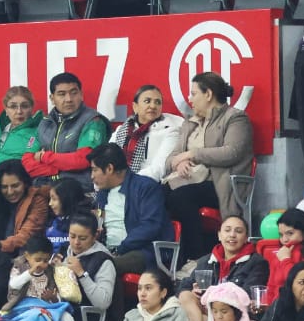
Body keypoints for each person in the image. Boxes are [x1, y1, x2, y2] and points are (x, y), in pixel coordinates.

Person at [165, 72, 255, 261]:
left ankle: (196, 258)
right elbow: (170, 158)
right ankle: (168, 258)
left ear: (208, 94)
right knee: (153, 194)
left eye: (193, 93)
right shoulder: (190, 123)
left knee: (181, 197)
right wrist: (179, 161)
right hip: (186, 180)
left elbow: (232, 152)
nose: (190, 99)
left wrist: (193, 154)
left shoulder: (235, 118)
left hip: (219, 184)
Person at [88, 145, 174, 274]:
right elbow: (99, 222)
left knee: (105, 268)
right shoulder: (102, 194)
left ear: (110, 168)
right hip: (107, 251)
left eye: (95, 170)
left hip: (144, 251)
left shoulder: (146, 187)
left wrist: (120, 249)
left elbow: (150, 226)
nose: (92, 176)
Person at [179, 217, 267, 321]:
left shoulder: (256, 262)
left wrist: (210, 296)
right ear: (219, 235)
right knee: (185, 295)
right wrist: (194, 291)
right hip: (207, 315)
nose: (232, 235)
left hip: (232, 315)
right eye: (227, 230)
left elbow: (245, 296)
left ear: (246, 238)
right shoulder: (207, 260)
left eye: (238, 231)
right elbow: (183, 285)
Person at [21, 73, 111, 191]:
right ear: (52, 99)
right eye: (61, 94)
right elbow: (27, 162)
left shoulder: (93, 121)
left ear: (81, 95)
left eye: (74, 93)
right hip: (44, 186)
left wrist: (44, 157)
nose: (69, 99)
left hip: (78, 189)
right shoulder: (44, 122)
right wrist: (55, 170)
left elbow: (83, 159)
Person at [110, 86, 184, 183]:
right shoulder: (121, 130)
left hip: (147, 185)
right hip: (116, 182)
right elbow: (106, 159)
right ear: (135, 107)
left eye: (157, 102)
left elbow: (159, 168)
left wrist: (127, 182)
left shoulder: (170, 131)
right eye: (147, 101)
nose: (153, 106)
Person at [0, 160, 49, 257]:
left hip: (21, 257)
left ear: (25, 183)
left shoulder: (37, 201)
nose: (10, 192)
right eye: (4, 187)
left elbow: (26, 236)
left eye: (15, 186)